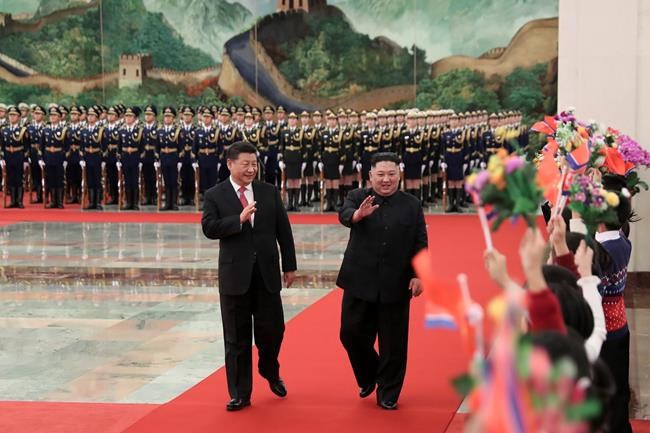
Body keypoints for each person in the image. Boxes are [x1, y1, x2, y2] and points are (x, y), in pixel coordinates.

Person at [201, 141, 297, 412]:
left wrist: (289, 265)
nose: (251, 169)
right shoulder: (215, 194)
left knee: (273, 331)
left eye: (254, 164)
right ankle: (240, 393)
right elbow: (209, 227)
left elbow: (283, 230)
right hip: (235, 276)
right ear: (230, 164)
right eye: (245, 164)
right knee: (236, 338)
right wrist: (238, 220)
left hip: (266, 274)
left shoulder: (268, 192)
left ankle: (269, 368)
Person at [336, 152, 428, 410]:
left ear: (399, 175)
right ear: (370, 176)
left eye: (391, 174)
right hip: (359, 281)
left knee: (393, 342)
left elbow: (420, 241)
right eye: (380, 175)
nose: (386, 179)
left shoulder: (411, 204)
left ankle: (388, 392)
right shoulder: (357, 196)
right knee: (350, 334)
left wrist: (418, 274)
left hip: (396, 282)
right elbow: (344, 214)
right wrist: (358, 215)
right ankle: (368, 375)